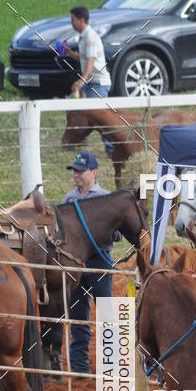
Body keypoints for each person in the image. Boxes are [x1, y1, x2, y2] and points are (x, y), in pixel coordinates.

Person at [62, 151, 119, 374]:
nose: (76, 175)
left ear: (93, 172)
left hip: (99, 261)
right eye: (74, 171)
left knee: (106, 312)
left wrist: (108, 232)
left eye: (80, 171)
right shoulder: (68, 199)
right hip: (76, 263)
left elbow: (119, 233)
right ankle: (79, 366)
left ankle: (111, 364)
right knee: (77, 314)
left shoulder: (106, 198)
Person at [66, 6, 111, 99]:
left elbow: (91, 60)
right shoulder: (83, 36)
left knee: (94, 112)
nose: (71, 23)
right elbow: (86, 58)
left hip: (99, 83)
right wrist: (71, 54)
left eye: (73, 20)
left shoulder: (90, 37)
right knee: (70, 107)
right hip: (90, 82)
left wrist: (82, 80)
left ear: (81, 20)